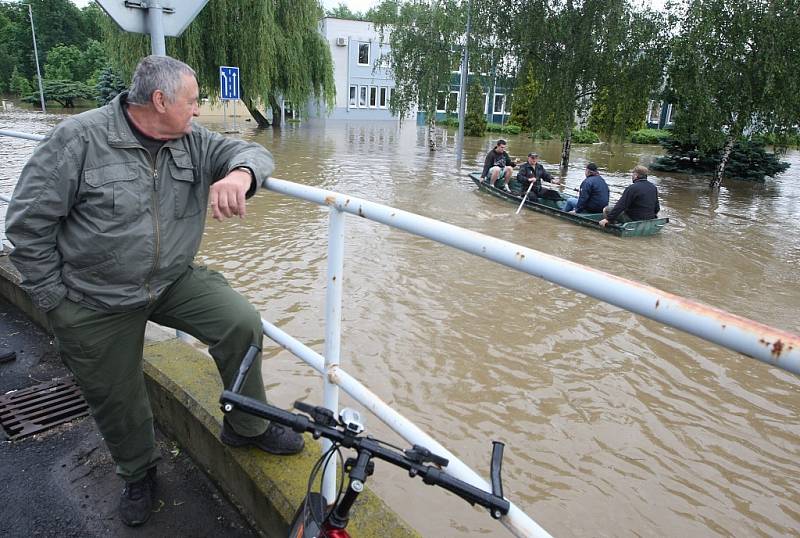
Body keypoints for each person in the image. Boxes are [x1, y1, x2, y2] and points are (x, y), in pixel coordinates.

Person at [5, 55, 304, 528]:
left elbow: (252, 153)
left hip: (170, 282)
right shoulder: (79, 139)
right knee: (116, 395)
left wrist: (240, 175)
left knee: (239, 322)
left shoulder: (191, 139)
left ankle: (247, 426)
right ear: (160, 101)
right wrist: (55, 303)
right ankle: (138, 473)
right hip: (93, 297)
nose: (199, 108)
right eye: (193, 100)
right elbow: (27, 225)